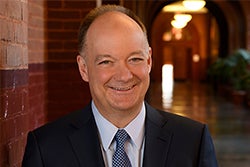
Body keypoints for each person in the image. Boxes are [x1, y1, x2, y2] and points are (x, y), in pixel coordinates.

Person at [22, 5, 218, 167]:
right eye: (106, 62)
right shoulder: (46, 149)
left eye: (134, 59)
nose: (124, 76)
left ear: (149, 60)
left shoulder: (193, 141)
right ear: (83, 69)